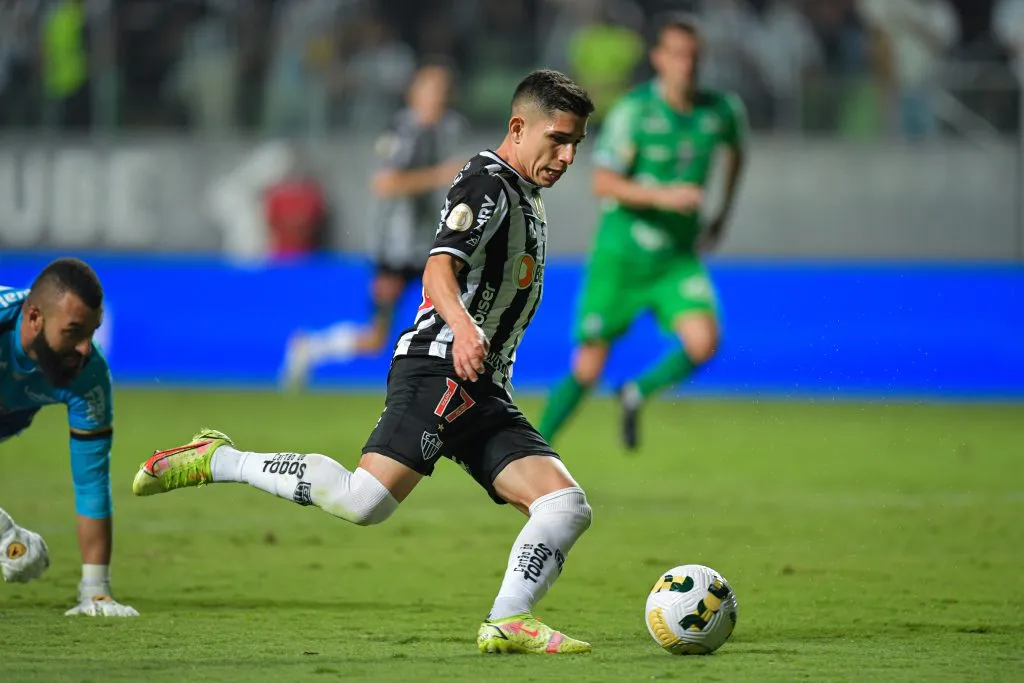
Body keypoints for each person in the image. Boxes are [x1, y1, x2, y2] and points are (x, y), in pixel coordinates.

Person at [133, 70, 596, 654]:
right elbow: (438, 268)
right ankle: (217, 458)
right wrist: (463, 327)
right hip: (441, 368)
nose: (568, 154)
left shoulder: (524, 192)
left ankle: (508, 619)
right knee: (364, 501)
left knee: (564, 506)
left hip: (483, 385)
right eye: (558, 138)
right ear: (517, 127)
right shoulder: (487, 184)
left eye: (576, 142)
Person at [538, 14, 748, 450]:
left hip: (674, 256)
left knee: (704, 341)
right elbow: (603, 183)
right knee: (589, 368)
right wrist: (665, 196)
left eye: (692, 56)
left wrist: (721, 216)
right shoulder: (635, 111)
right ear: (658, 59)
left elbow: (737, 154)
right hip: (623, 254)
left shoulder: (720, 111)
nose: (685, 65)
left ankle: (635, 392)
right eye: (675, 55)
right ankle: (529, 449)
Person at [281, 61, 468, 388]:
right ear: (415, 94)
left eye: (443, 90)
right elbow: (384, 184)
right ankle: (310, 348)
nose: (439, 97)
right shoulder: (401, 131)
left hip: (431, 244)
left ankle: (447, 386)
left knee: (455, 317)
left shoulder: (450, 127)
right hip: (395, 246)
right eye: (432, 89)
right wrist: (437, 176)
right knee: (377, 336)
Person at [0, 258, 138, 617]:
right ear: (34, 318)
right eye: (74, 331)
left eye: (92, 333)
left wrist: (97, 592)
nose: (84, 348)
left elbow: (91, 482)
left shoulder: (88, 375)